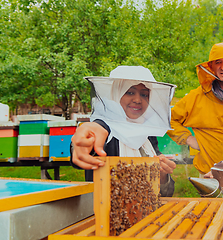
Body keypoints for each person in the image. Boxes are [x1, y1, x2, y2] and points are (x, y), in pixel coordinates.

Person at [70, 66, 177, 197]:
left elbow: (166, 194)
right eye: (130, 92)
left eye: (144, 94)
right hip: (105, 214)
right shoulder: (105, 129)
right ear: (115, 94)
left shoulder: (147, 135)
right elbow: (92, 134)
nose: (138, 100)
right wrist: (82, 140)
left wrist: (163, 176)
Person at [167, 42, 223, 175]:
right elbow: (168, 118)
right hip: (209, 174)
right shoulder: (197, 96)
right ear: (211, 67)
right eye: (218, 62)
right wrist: (189, 139)